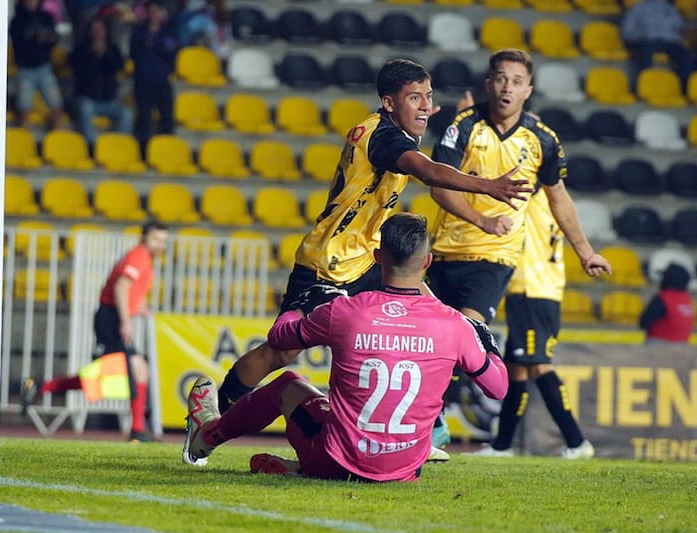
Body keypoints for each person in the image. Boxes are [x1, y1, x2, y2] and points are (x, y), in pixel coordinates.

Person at [209, 58, 531, 440]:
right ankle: (216, 416)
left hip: (368, 260)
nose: (426, 105)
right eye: (414, 98)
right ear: (389, 103)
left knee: (429, 317)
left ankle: (429, 429)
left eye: (428, 97)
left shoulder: (393, 129)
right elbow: (427, 172)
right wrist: (487, 186)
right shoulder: (383, 137)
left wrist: (423, 113)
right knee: (280, 353)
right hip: (328, 263)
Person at [183, 213, 509, 481]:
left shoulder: (346, 311)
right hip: (406, 468)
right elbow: (498, 387)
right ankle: (304, 468)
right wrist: (487, 343)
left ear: (377, 257)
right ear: (427, 262)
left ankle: (207, 437)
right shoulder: (453, 323)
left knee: (287, 385)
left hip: (338, 459)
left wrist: (301, 304)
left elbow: (279, 338)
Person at [424, 48, 611, 446]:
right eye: (501, 78)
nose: (508, 87)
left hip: (495, 257)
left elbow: (559, 198)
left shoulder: (542, 140)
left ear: (528, 90)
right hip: (446, 250)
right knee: (431, 339)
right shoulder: (464, 126)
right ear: (489, 84)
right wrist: (483, 219)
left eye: (517, 81)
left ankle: (440, 421)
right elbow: (438, 186)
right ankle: (432, 419)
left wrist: (586, 251)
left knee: (465, 330)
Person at [468, 191, 595, 459]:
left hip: (532, 289)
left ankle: (576, 441)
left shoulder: (532, 200)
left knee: (539, 365)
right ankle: (502, 446)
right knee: (518, 370)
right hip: (541, 290)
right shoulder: (556, 201)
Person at [21, 220, 169, 442]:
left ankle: (41, 387)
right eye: (156, 239)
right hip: (111, 319)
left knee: (125, 372)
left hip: (112, 315)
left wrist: (136, 307)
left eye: (164, 241)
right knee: (114, 374)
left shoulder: (143, 258)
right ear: (144, 237)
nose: (160, 245)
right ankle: (137, 429)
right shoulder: (139, 256)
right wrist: (126, 320)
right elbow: (121, 287)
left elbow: (123, 290)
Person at [69, 16, 134, 145]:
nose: (97, 32)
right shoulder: (81, 49)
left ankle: (119, 144)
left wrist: (104, 54)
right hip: (87, 99)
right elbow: (75, 66)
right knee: (85, 109)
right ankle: (91, 146)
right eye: (94, 29)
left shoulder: (113, 49)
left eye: (100, 28)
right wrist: (93, 54)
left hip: (109, 101)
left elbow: (119, 66)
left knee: (127, 113)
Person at [129, 0, 178, 153]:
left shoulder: (168, 32)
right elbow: (133, 53)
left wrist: (154, 44)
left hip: (161, 80)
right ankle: (144, 151)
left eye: (157, 11)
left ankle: (168, 150)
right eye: (151, 11)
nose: (154, 15)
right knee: (144, 118)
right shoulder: (139, 31)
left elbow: (171, 53)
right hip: (143, 80)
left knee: (167, 118)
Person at [10, 0, 66, 129]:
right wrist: (33, 38)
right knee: (24, 108)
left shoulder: (46, 18)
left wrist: (45, 39)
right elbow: (17, 44)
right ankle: (24, 137)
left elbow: (54, 39)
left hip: (44, 66)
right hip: (25, 69)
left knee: (56, 104)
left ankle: (58, 134)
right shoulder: (17, 21)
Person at [621, 0, 693, 86]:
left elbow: (680, 26)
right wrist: (640, 37)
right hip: (648, 40)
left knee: (685, 56)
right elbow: (628, 30)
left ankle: (685, 87)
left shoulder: (669, 7)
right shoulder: (638, 8)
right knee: (645, 53)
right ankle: (642, 85)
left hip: (670, 41)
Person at [639, 263, 695, 344]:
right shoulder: (687, 299)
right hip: (683, 345)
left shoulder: (663, 298)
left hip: (659, 344)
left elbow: (644, 322)